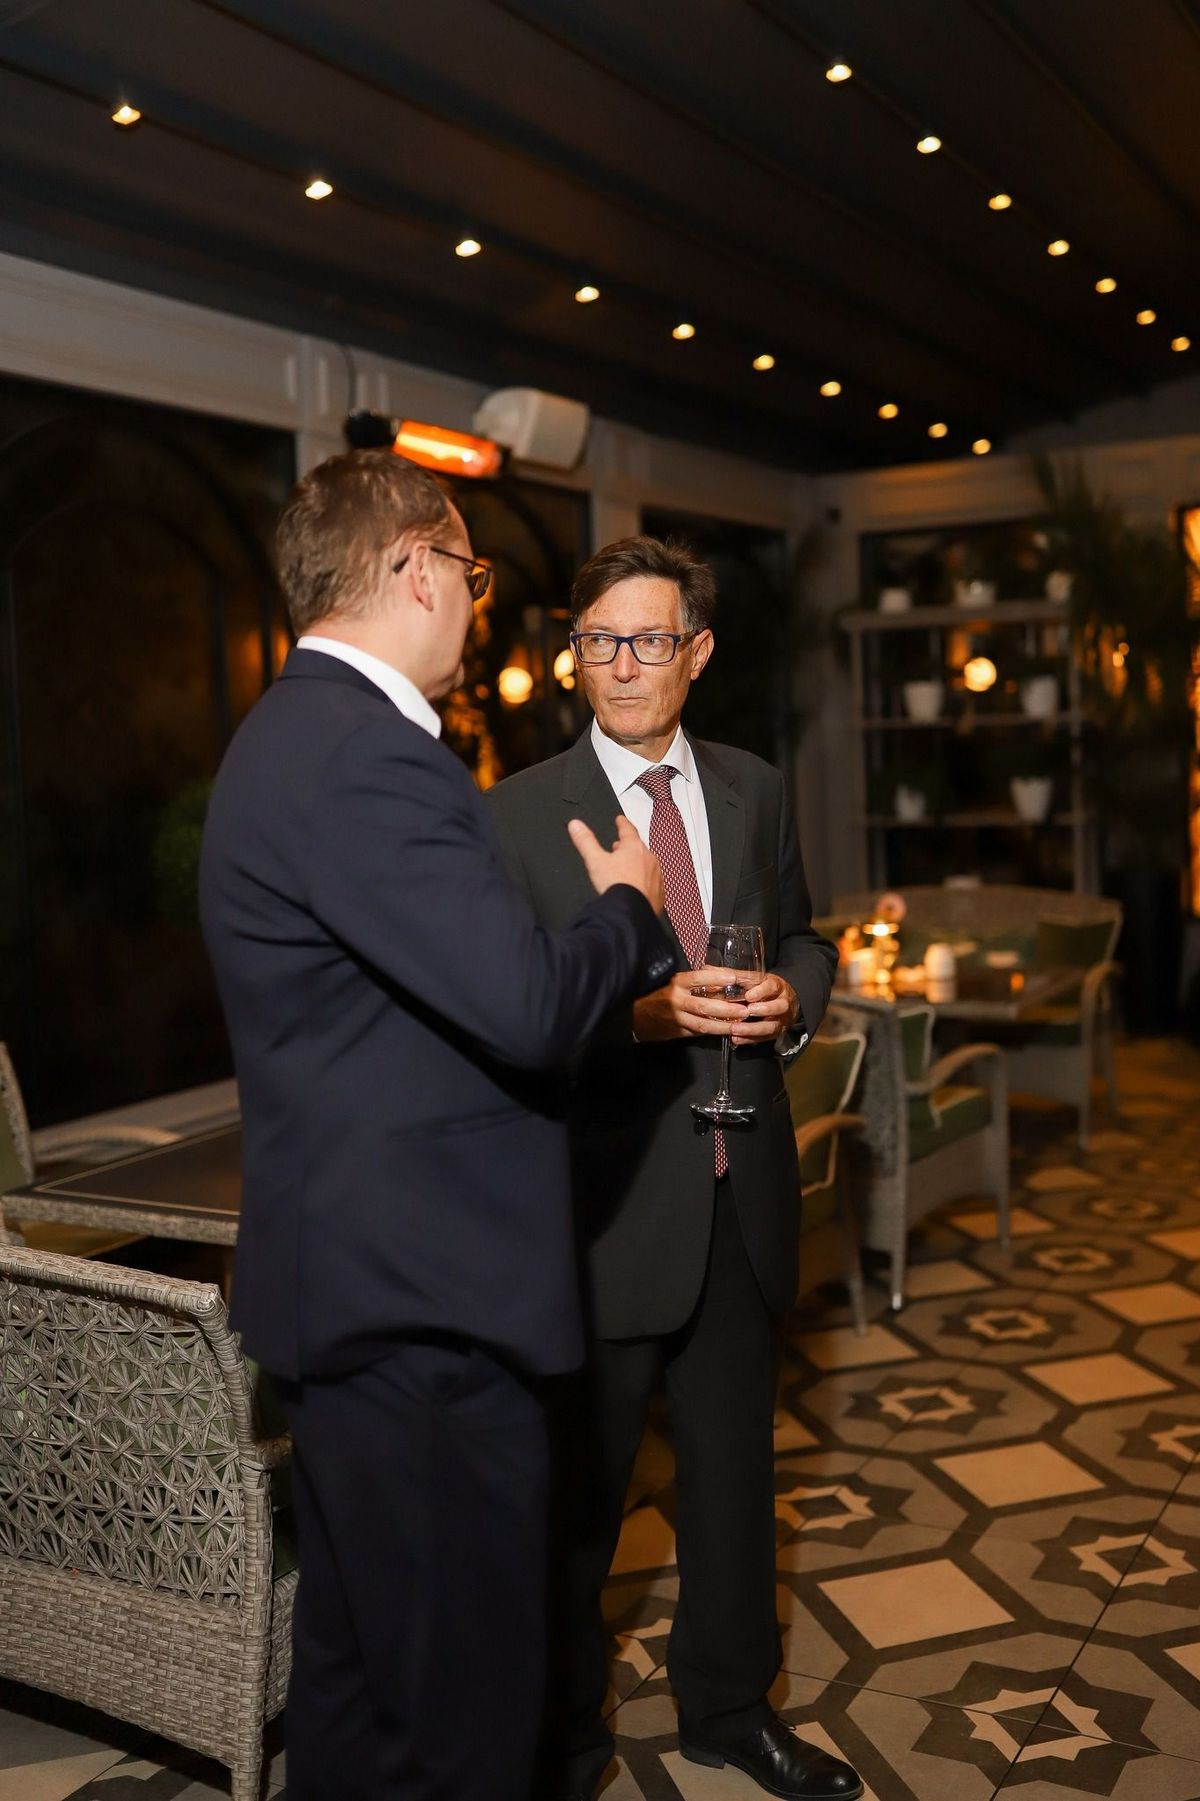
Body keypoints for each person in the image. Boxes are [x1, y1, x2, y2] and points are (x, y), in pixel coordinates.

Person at [198, 453, 674, 1801]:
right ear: (416, 567)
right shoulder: (364, 754)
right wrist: (629, 907)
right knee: (465, 1724)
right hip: (425, 1319)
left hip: (367, 1302)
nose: (475, 597)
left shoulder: (289, 735)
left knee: (362, 1699)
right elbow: (526, 1005)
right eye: (470, 570)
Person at [487, 536, 860, 1801]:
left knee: (737, 1483)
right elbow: (510, 1015)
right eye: (599, 641)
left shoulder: (755, 786)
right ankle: (563, 1741)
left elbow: (808, 937)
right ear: (573, 656)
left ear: (696, 651)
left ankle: (729, 1708)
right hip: (602, 1214)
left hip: (743, 1187)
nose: (623, 665)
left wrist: (792, 999)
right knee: (580, 1506)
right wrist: (635, 1018)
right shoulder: (518, 813)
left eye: (650, 640)